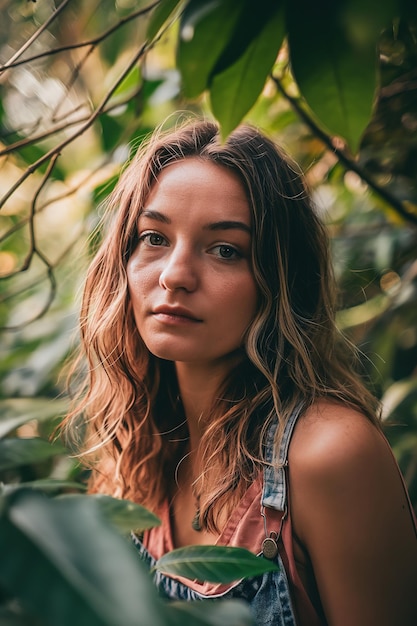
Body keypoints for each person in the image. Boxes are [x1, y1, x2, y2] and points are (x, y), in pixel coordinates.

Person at [63, 119, 417, 625]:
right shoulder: (135, 456)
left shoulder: (328, 455)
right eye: (154, 237)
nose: (175, 275)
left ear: (279, 280)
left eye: (225, 250)